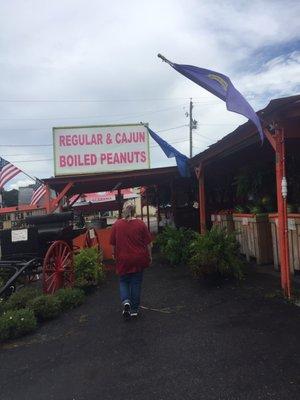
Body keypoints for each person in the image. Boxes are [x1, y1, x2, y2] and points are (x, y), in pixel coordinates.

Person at [110, 201, 152, 320]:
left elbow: (113, 243)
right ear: (134, 210)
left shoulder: (117, 225)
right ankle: (134, 310)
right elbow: (148, 243)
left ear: (124, 210)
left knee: (123, 281)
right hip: (138, 258)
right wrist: (150, 256)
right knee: (136, 283)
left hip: (123, 259)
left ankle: (126, 302)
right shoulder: (141, 224)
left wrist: (113, 254)